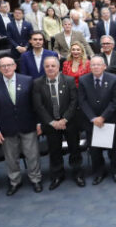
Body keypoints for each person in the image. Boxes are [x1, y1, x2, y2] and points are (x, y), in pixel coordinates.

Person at [0, 57, 43, 195]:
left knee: (32, 155)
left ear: (15, 66)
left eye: (9, 65)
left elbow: (35, 104)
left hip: (28, 125)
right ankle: (14, 182)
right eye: (3, 66)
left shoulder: (27, 80)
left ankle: (35, 179)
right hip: (6, 128)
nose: (6, 68)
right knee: (11, 158)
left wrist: (38, 122)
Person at [32, 56, 84, 189]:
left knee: (75, 149)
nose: (50, 68)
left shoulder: (69, 80)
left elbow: (74, 101)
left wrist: (64, 119)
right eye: (47, 66)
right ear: (44, 68)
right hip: (50, 124)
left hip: (69, 122)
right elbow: (39, 106)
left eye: (53, 66)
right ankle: (57, 175)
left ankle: (77, 173)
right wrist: (52, 122)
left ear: (58, 67)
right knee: (54, 150)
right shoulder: (37, 83)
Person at [78, 56, 116, 184]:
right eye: (93, 65)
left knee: (114, 150)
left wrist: (103, 117)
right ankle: (99, 172)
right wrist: (93, 118)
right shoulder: (83, 80)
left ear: (104, 66)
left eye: (99, 65)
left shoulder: (114, 79)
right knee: (95, 150)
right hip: (91, 122)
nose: (96, 67)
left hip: (109, 120)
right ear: (89, 67)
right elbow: (82, 101)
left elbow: (115, 101)